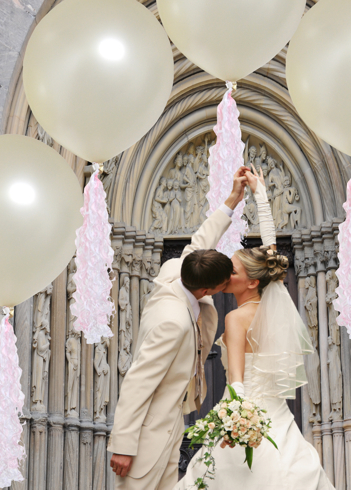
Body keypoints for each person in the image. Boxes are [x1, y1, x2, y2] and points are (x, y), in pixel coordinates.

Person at [175, 165, 335, 490]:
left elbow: (236, 382)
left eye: (232, 270)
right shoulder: (269, 299)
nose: (226, 274)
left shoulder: (236, 318)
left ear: (250, 281)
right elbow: (270, 249)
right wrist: (259, 195)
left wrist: (237, 424)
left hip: (247, 417)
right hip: (277, 416)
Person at [108, 167, 249, 490]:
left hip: (174, 417)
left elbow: (200, 241)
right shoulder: (171, 322)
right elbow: (139, 381)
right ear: (207, 291)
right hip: (150, 432)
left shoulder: (176, 270)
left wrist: (232, 200)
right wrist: (124, 446)